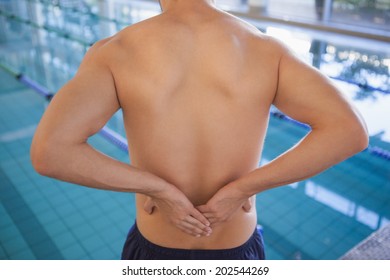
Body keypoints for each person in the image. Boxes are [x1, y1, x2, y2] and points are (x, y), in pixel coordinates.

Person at [30, 0, 368, 260]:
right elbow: (349, 129)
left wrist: (158, 190)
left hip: (155, 251)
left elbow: (51, 151)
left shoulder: (117, 52)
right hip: (238, 250)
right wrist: (243, 189)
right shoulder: (266, 50)